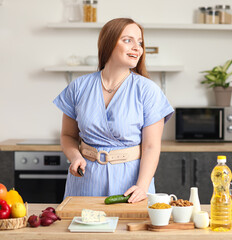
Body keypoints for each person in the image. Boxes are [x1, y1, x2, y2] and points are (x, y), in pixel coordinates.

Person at [53, 18, 174, 203]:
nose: (137, 47)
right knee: (81, 230)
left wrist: (142, 186)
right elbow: (68, 136)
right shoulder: (78, 87)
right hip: (85, 181)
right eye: (128, 40)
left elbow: (151, 146)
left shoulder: (148, 90)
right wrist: (75, 156)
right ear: (108, 43)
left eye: (140, 42)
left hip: (131, 185)